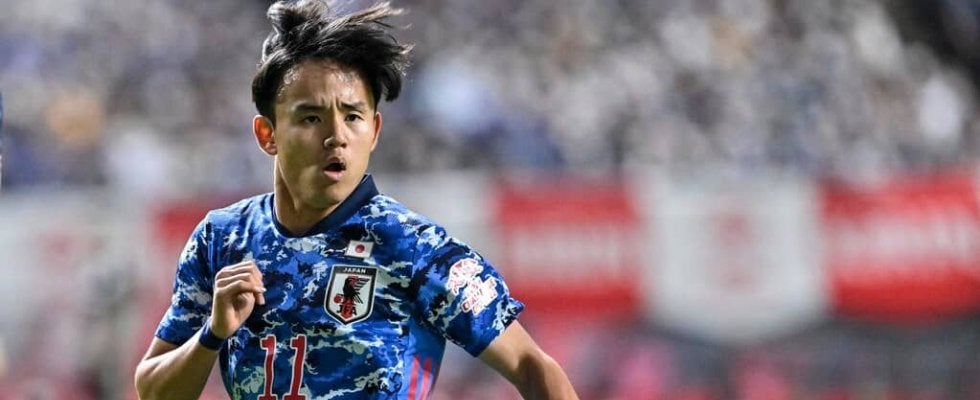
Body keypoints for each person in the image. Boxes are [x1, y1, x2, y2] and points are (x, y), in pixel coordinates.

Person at [133, 1, 579, 399]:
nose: (336, 136)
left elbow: (532, 366)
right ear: (267, 134)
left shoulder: (413, 246)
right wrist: (212, 334)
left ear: (375, 130)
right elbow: (153, 390)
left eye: (352, 116)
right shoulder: (222, 239)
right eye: (311, 117)